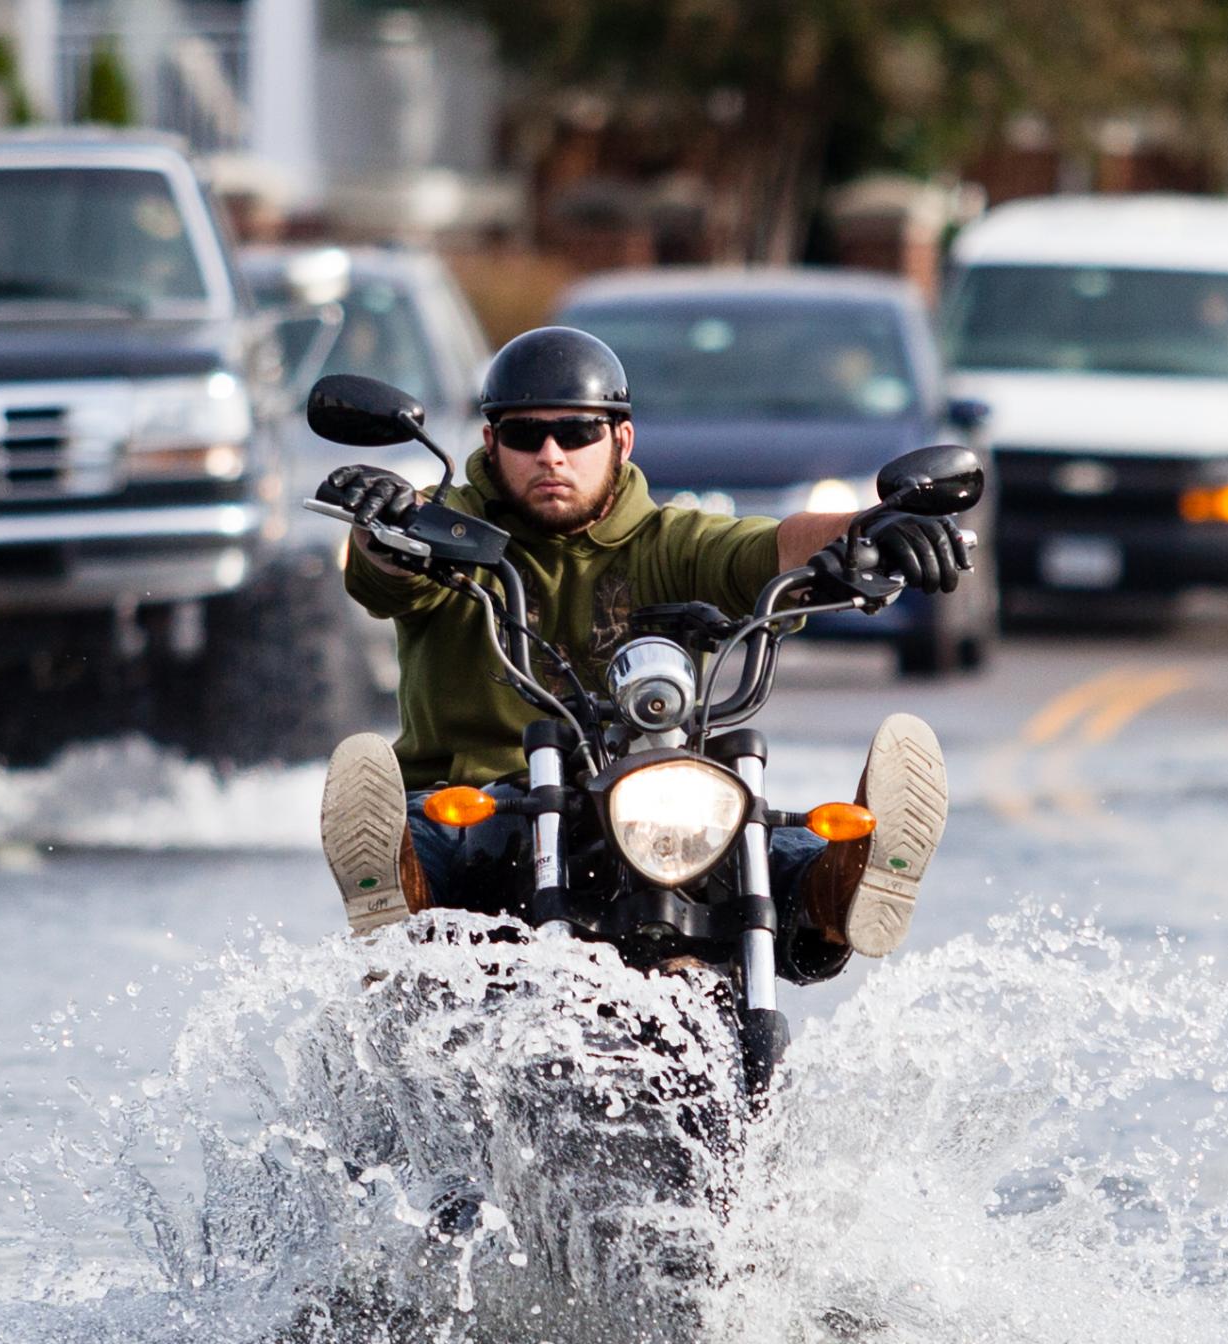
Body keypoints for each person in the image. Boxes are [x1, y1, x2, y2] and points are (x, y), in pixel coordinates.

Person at [312, 326, 968, 983]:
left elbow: (774, 548)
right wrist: (386, 526)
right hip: (475, 803)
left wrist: (868, 532)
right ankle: (392, 893)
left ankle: (847, 886)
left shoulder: (669, 540)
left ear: (620, 440)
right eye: (524, 434)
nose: (551, 454)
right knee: (431, 842)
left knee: (756, 836)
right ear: (490, 442)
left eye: (576, 433)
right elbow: (385, 572)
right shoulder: (445, 531)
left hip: (644, 807)